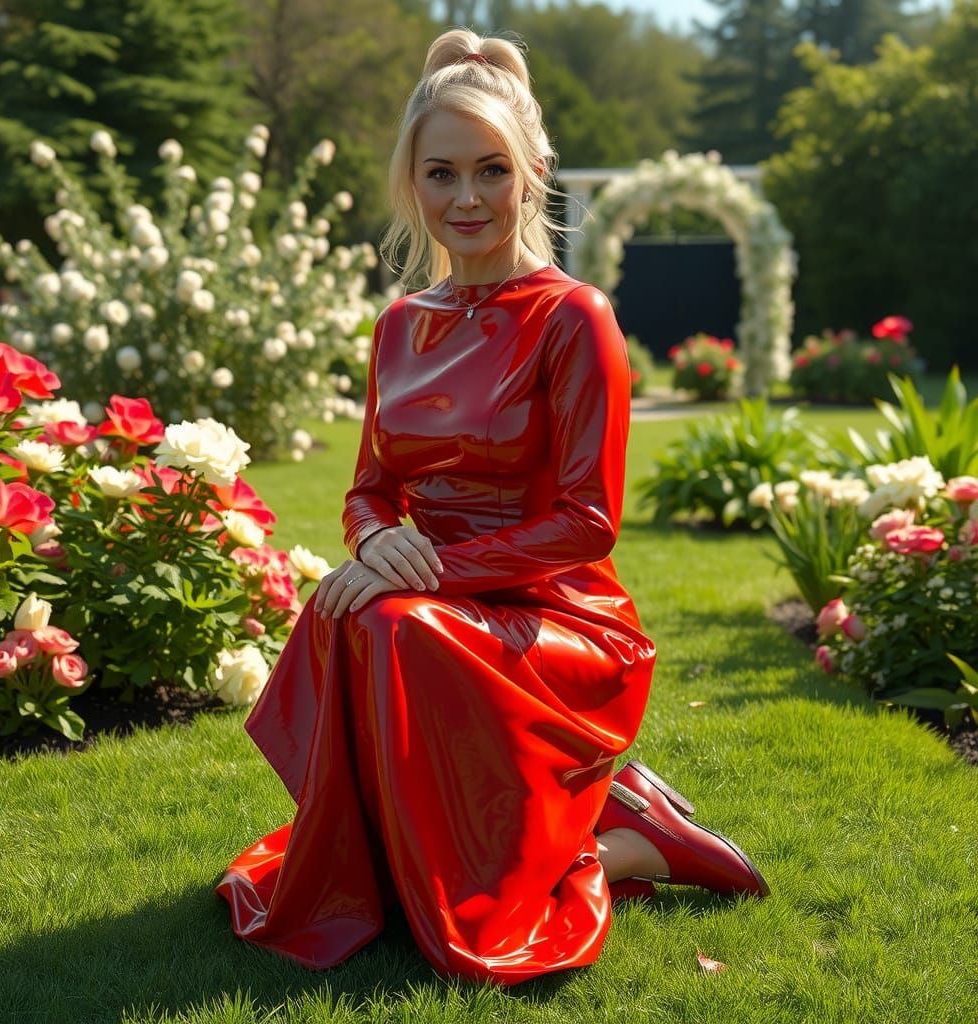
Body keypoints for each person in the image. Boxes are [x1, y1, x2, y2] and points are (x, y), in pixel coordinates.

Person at [216, 27, 768, 986]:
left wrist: (424, 573)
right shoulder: (399, 325)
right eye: (441, 174)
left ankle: (608, 846)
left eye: (489, 170)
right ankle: (509, 840)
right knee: (354, 610)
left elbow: (589, 524)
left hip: (562, 615)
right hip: (437, 606)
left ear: (533, 172)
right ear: (412, 184)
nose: (465, 198)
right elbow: (369, 487)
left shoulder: (573, 317)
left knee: (386, 622)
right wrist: (378, 538)